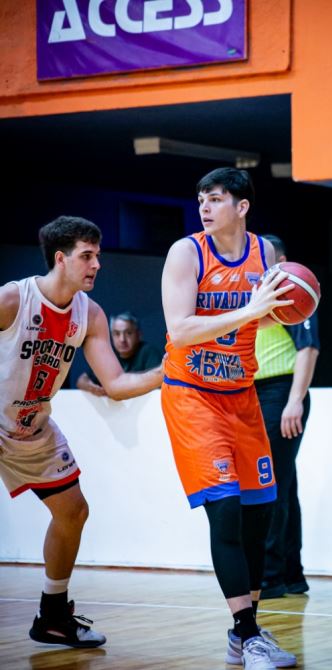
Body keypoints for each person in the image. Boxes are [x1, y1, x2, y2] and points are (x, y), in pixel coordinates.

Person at [0, 215, 163, 648]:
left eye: (98, 256)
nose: (97, 265)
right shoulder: (13, 299)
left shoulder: (88, 314)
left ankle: (52, 617)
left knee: (73, 512)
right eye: (87, 256)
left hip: (32, 427)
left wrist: (167, 372)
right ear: (61, 259)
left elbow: (116, 384)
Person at [161, 167, 297, 669]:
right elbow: (179, 330)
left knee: (260, 514)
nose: (204, 206)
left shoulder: (265, 254)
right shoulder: (186, 253)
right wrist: (250, 311)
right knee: (225, 510)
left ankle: (247, 635)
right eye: (201, 199)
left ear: (242, 207)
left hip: (241, 395)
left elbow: (272, 312)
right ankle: (247, 631)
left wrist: (290, 305)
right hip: (193, 396)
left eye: (216, 199)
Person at [254, 234, 320, 599]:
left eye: (263, 257)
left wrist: (295, 400)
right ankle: (292, 575)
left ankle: (270, 577)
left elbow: (308, 348)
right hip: (260, 392)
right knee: (284, 484)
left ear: (280, 260)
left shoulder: (292, 288)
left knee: (271, 484)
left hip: (281, 392)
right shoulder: (259, 294)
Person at [76, 311, 162, 396]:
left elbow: (158, 380)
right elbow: (82, 380)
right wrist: (93, 388)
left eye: (128, 333)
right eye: (117, 334)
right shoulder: (109, 354)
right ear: (111, 336)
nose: (122, 339)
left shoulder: (148, 352)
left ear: (139, 335)